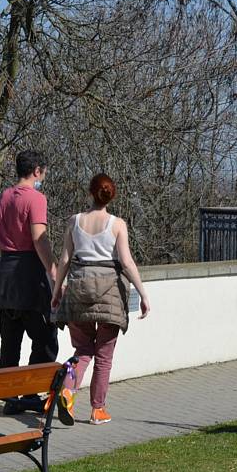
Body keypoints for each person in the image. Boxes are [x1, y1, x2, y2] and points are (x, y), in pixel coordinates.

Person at [51, 173, 150, 425]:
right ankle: (98, 410)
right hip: (110, 293)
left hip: (78, 290)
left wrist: (56, 291)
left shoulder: (74, 221)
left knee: (82, 350)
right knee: (104, 356)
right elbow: (126, 262)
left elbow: (64, 259)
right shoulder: (117, 224)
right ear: (110, 196)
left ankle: (66, 392)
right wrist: (143, 293)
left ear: (90, 193)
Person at [0, 150, 58, 414]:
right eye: (44, 171)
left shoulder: (3, 197)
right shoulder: (36, 198)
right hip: (29, 276)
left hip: (6, 275)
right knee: (47, 340)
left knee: (10, 341)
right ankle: (29, 395)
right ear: (37, 170)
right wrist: (53, 269)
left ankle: (9, 397)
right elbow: (39, 237)